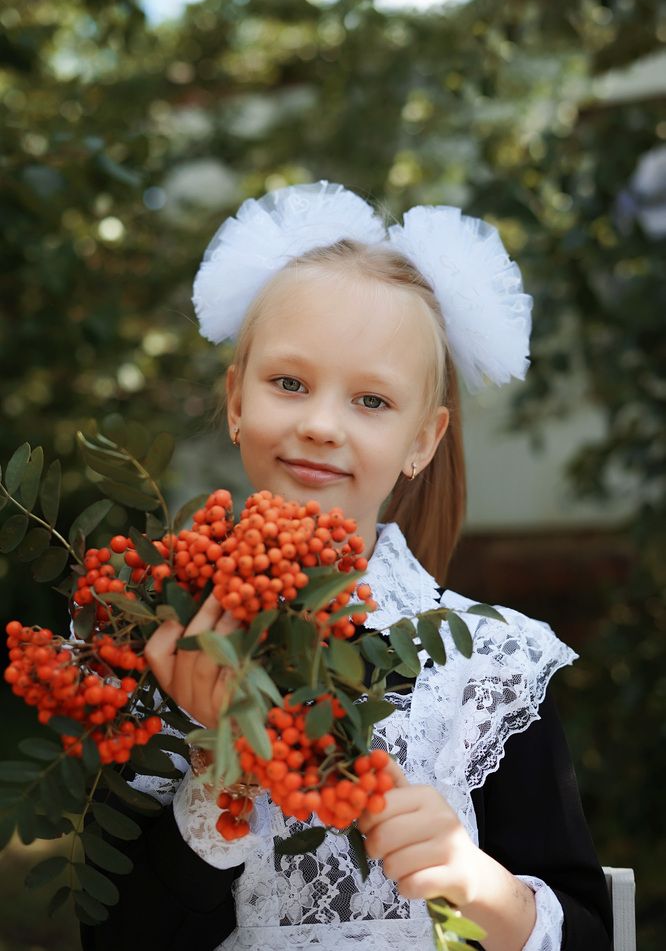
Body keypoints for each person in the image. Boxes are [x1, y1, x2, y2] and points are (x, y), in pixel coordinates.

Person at [80, 181, 613, 951]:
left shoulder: (492, 665)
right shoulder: (150, 645)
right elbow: (117, 937)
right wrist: (215, 760)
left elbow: (588, 932)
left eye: (371, 400)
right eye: (289, 383)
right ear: (236, 400)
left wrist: (478, 887)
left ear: (422, 440)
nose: (322, 424)